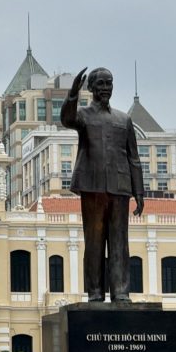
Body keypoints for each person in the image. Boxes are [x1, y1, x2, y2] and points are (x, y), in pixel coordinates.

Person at [61, 67, 145, 302]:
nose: (106, 88)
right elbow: (67, 119)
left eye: (109, 83)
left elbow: (134, 158)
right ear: (91, 87)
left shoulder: (123, 119)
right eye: (101, 83)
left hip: (120, 187)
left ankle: (121, 292)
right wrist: (73, 94)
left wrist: (139, 191)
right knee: (94, 241)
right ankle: (95, 292)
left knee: (120, 242)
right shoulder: (83, 115)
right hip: (92, 186)